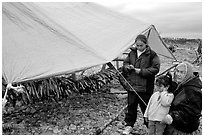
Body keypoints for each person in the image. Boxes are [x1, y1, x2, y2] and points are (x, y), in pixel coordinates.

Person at [121, 34, 160, 135]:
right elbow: (125, 63)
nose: (138, 47)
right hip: (132, 86)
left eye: (141, 45)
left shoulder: (152, 54)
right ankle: (129, 125)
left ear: (146, 44)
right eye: (137, 45)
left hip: (146, 87)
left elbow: (156, 69)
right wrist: (127, 67)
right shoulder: (132, 53)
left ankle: (150, 127)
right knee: (131, 106)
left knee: (146, 108)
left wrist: (141, 71)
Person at [162, 61, 202, 135]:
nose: (178, 74)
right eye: (177, 71)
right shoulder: (182, 84)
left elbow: (193, 112)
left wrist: (173, 116)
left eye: (182, 72)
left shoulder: (192, 91)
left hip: (183, 130)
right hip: (175, 125)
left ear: (188, 74)